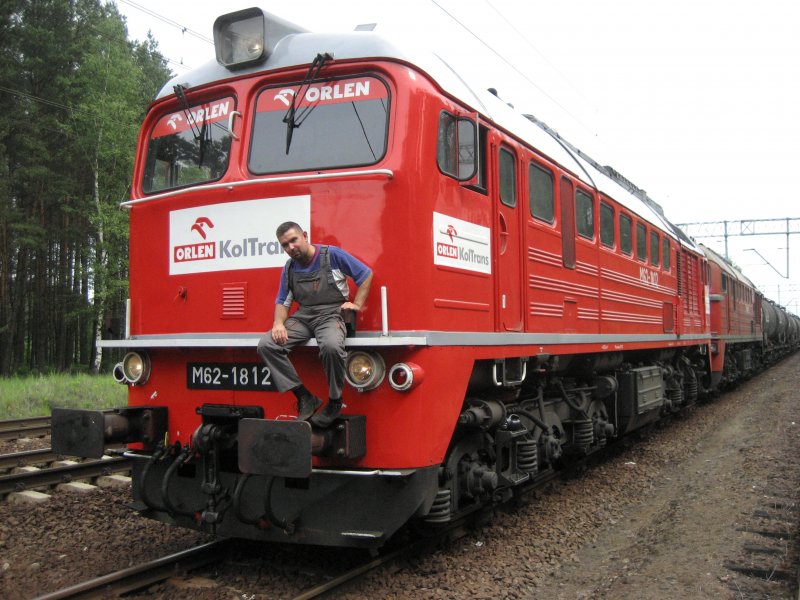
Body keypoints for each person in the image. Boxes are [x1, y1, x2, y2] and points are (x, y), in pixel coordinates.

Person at [257, 222, 373, 427]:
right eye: (285, 245)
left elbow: (365, 274)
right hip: (304, 316)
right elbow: (283, 301)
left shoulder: (332, 255)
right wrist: (278, 323)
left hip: (331, 314)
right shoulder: (289, 267)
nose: (291, 247)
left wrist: (356, 304)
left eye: (294, 240)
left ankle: (335, 401)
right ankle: (304, 397)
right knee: (267, 344)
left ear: (305, 235)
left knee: (331, 346)